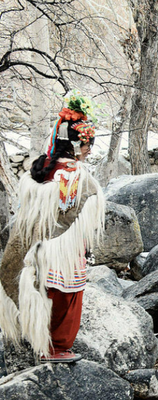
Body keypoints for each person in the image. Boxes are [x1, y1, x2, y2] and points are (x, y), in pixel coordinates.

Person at [0, 91, 105, 362]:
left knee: (39, 289)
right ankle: (56, 348)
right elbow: (81, 214)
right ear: (73, 144)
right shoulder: (77, 176)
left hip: (34, 244)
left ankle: (37, 338)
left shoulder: (40, 168)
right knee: (65, 294)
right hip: (62, 248)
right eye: (87, 144)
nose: (90, 149)